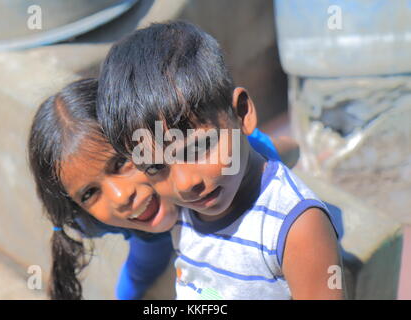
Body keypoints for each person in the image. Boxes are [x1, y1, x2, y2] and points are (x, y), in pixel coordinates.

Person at [96, 21, 344, 299]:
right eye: (155, 167)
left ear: (242, 113)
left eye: (199, 147)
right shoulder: (181, 208)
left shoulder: (295, 227)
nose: (185, 182)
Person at [28, 78, 297, 299]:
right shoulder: (99, 220)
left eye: (121, 162)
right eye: (89, 193)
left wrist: (280, 152)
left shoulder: (230, 166)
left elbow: (278, 152)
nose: (121, 197)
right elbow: (142, 267)